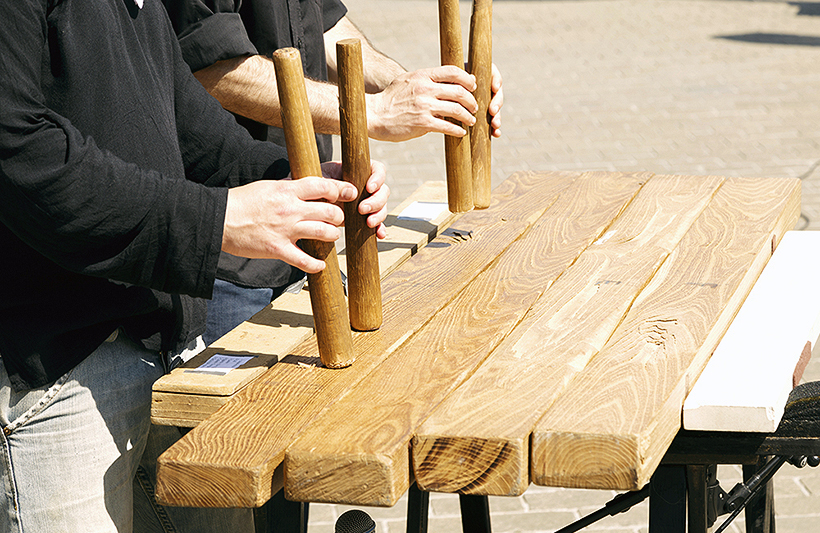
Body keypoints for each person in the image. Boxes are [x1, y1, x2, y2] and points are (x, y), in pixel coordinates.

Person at [0, 0, 388, 532]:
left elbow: (199, 138)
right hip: (53, 371)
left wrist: (305, 183)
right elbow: (20, 150)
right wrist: (217, 220)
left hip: (164, 346)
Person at [161, 0, 504, 344]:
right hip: (231, 256)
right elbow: (208, 68)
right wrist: (371, 110)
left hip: (311, 222)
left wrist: (418, 91)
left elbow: (324, 27)